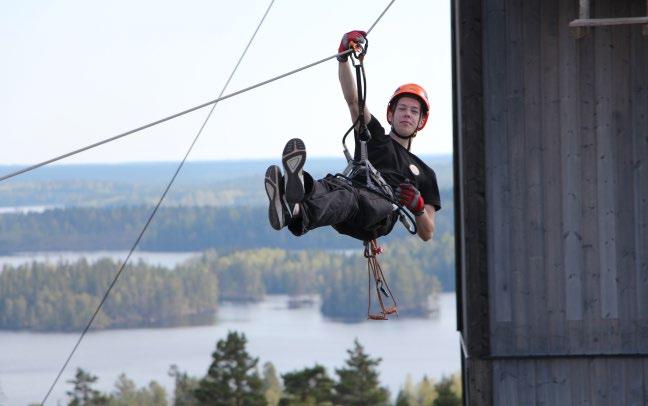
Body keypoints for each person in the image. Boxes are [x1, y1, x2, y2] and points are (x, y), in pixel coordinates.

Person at [264, 30, 441, 243]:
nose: (407, 114)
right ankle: (295, 199)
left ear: (421, 121)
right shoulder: (374, 136)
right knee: (331, 184)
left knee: (349, 196)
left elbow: (427, 233)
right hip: (347, 200)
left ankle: (294, 205)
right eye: (402, 108)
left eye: (414, 111)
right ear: (391, 114)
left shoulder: (425, 173)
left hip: (380, 212)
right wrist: (343, 58)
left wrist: (419, 208)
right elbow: (353, 99)